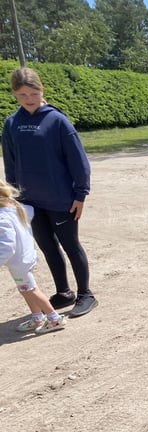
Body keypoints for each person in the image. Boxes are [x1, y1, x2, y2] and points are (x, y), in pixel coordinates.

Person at [2, 67, 97, 317]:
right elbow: (10, 163)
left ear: (41, 90)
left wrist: (80, 195)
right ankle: (64, 292)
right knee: (48, 247)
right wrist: (11, 197)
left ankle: (86, 294)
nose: (29, 99)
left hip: (61, 200)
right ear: (15, 94)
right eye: (23, 94)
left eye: (33, 93)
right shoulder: (11, 124)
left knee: (70, 245)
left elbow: (79, 161)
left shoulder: (57, 121)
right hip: (29, 203)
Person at [0, 180, 66, 333]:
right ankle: (37, 317)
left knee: (30, 290)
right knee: (25, 289)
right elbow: (29, 210)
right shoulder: (15, 208)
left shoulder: (2, 217)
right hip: (24, 258)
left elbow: (7, 245)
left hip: (19, 262)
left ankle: (54, 318)